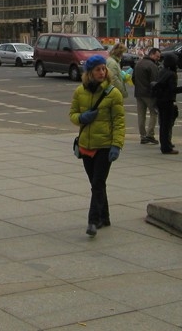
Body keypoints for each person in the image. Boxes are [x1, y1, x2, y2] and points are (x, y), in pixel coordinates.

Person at [69, 54, 125, 237]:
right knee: (96, 184)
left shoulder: (113, 93)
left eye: (103, 69)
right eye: (97, 70)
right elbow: (73, 115)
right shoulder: (80, 91)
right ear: (90, 73)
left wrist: (116, 145)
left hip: (104, 145)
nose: (102, 72)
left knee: (98, 183)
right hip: (86, 146)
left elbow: (119, 121)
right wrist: (81, 118)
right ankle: (105, 216)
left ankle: (93, 221)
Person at [154, 53, 182, 155]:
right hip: (168, 101)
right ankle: (166, 147)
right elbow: (173, 89)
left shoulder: (162, 71)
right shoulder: (172, 74)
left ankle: (164, 145)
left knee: (163, 124)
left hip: (160, 100)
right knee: (167, 125)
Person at [131, 47, 161, 145]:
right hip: (149, 94)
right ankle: (150, 134)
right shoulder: (152, 66)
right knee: (154, 113)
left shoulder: (138, 63)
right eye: (157, 56)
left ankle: (142, 136)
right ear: (152, 54)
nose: (158, 58)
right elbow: (155, 81)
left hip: (138, 93)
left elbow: (133, 78)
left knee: (141, 115)